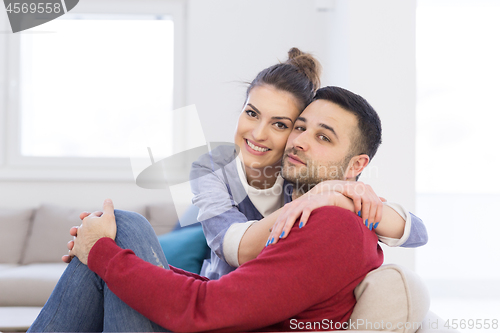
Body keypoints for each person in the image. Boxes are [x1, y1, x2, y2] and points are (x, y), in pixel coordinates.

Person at [29, 86, 414, 332]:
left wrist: (103, 254)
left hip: (208, 322)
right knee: (117, 239)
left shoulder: (335, 225)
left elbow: (206, 309)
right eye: (299, 127)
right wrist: (106, 258)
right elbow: (227, 292)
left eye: (323, 136)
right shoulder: (311, 213)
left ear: (356, 167)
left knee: (120, 232)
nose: (298, 142)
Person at [189, 49, 426, 280]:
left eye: (280, 125)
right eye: (251, 113)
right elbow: (236, 249)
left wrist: (336, 198)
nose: (258, 134)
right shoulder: (212, 167)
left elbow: (416, 232)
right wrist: (321, 195)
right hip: (218, 288)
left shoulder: (303, 169)